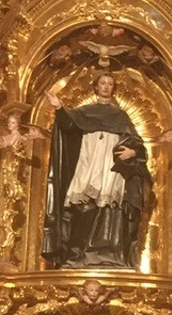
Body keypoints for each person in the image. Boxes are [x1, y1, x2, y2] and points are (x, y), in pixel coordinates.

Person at [41, 72, 151, 268]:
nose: (106, 86)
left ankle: (109, 256)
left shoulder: (120, 115)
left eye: (110, 83)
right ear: (96, 87)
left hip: (111, 168)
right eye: (103, 83)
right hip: (89, 162)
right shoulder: (85, 111)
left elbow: (138, 143)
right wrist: (58, 106)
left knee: (111, 209)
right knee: (85, 207)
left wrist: (133, 152)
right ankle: (78, 256)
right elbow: (67, 125)